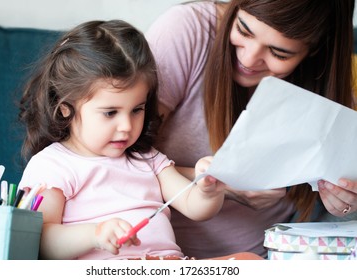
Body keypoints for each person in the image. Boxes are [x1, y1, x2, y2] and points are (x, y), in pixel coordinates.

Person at [145, 0, 357, 259]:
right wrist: (223, 184)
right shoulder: (187, 31)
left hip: (277, 251)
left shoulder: (330, 84)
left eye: (279, 53)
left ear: (315, 50)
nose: (247, 58)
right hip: (163, 255)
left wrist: (343, 202)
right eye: (243, 30)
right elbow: (108, 161)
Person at [16, 20, 225, 260]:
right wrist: (94, 234)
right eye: (110, 113)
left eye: (137, 109)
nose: (127, 126)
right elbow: (41, 242)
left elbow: (193, 206)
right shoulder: (53, 166)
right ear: (65, 108)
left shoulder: (147, 159)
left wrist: (208, 191)